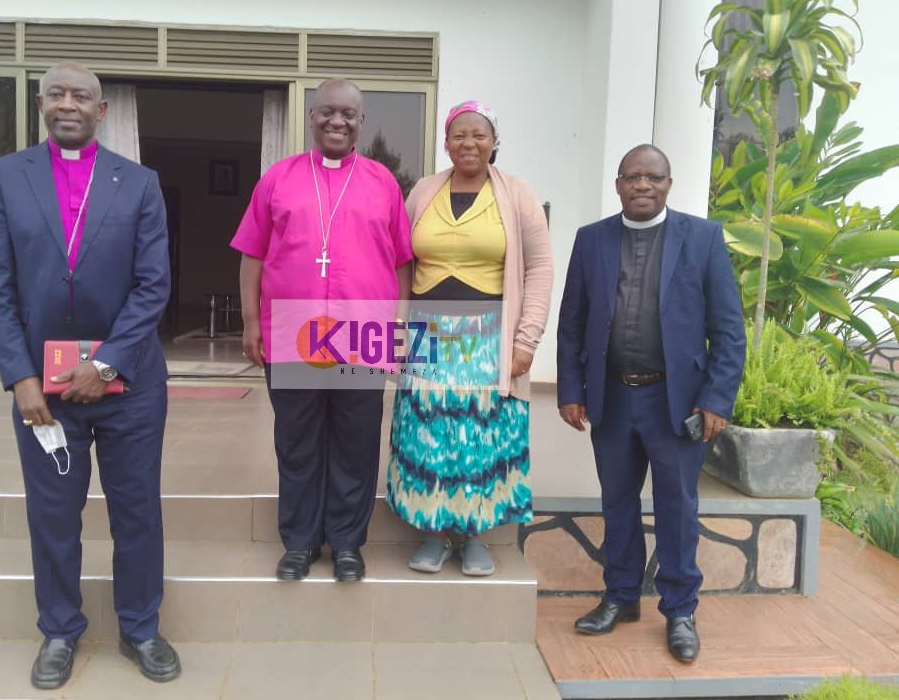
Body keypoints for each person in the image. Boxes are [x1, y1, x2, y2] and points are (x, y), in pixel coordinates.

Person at [0, 62, 179, 688]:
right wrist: (19, 377)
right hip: (46, 393)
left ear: (103, 110)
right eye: (57, 94)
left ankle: (140, 628)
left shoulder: (139, 183)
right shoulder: (5, 178)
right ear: (41, 104)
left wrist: (105, 362)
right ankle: (60, 630)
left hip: (132, 385)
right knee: (53, 513)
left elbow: (154, 286)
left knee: (137, 511)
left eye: (82, 96)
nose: (69, 104)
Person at [556, 144, 745, 662]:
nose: (642, 185)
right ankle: (620, 597)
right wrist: (571, 390)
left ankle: (680, 610)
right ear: (617, 184)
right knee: (617, 504)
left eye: (653, 177)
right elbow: (572, 322)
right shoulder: (591, 240)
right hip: (612, 399)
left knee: (677, 508)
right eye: (632, 177)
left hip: (676, 403)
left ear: (668, 183)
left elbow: (729, 330)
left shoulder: (701, 238)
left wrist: (716, 400)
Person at [231, 78, 413, 583]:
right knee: (298, 440)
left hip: (362, 332)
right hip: (291, 330)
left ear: (361, 122)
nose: (338, 121)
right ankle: (300, 542)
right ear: (311, 117)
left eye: (349, 114)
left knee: (355, 442)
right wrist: (251, 322)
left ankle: (348, 543)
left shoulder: (383, 182)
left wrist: (396, 326)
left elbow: (402, 262)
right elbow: (253, 254)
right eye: (328, 112)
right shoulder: (278, 179)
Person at [386, 100, 554, 576]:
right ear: (446, 142)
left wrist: (526, 340)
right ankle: (434, 533)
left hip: (488, 336)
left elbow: (540, 268)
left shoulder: (517, 194)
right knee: (427, 432)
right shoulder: (422, 191)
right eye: (459, 135)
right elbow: (400, 261)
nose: (469, 143)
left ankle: (475, 536)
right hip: (428, 332)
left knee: (481, 435)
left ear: (494, 141)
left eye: (479, 134)